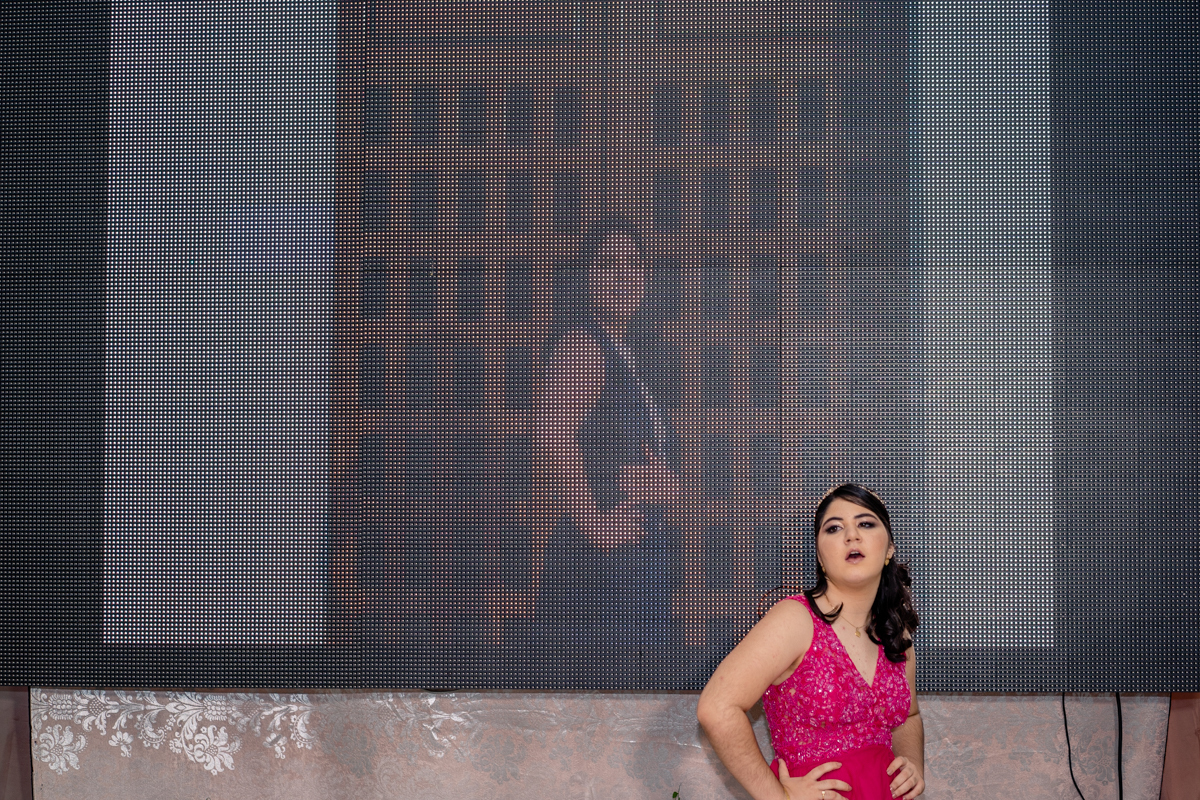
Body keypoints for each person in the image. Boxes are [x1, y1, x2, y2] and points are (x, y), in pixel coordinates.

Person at [697, 483, 924, 800]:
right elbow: (716, 709)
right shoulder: (795, 619)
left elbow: (908, 716)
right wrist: (779, 797)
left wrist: (913, 764)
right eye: (834, 528)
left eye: (865, 523)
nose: (851, 536)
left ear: (889, 549)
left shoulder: (895, 633)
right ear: (819, 555)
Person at [532, 217, 684, 684]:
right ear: (586, 277)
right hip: (600, 563)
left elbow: (637, 457)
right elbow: (552, 436)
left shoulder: (632, 355)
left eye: (633, 265)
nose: (623, 276)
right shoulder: (583, 345)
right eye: (608, 264)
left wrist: (667, 487)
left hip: (639, 554)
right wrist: (594, 521)